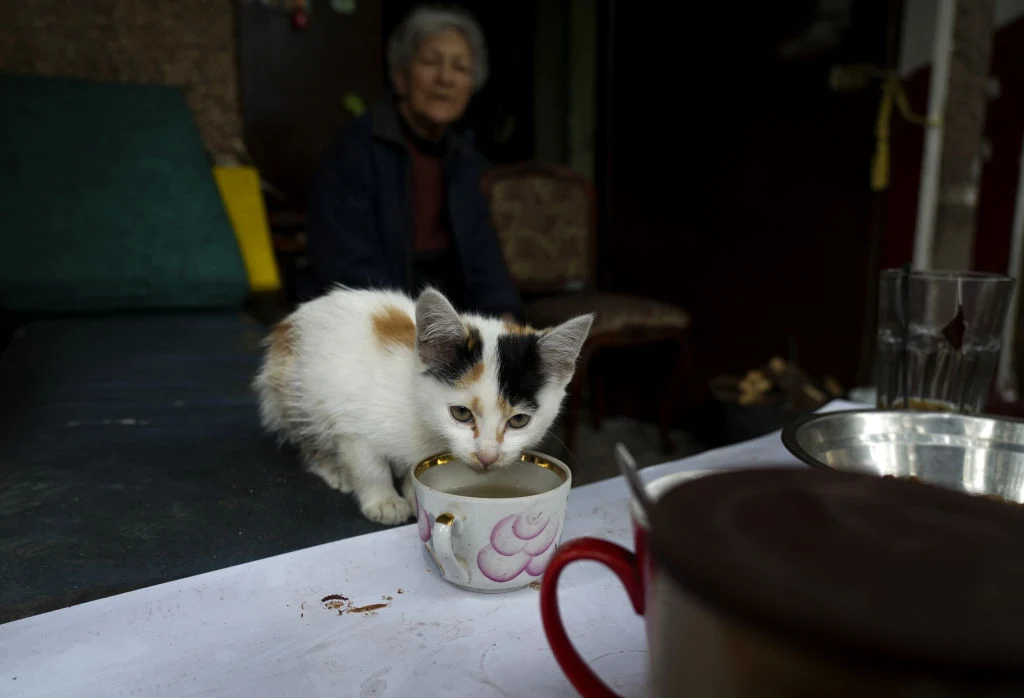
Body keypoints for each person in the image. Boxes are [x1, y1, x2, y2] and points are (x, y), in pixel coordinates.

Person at [298, 5, 521, 319]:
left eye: (460, 68)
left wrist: (504, 318)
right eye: (431, 62)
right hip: (372, 316)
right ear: (401, 76)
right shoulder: (357, 148)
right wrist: (419, 326)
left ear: (470, 87)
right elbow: (346, 265)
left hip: (446, 316)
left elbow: (483, 257)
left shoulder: (465, 159)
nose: (445, 78)